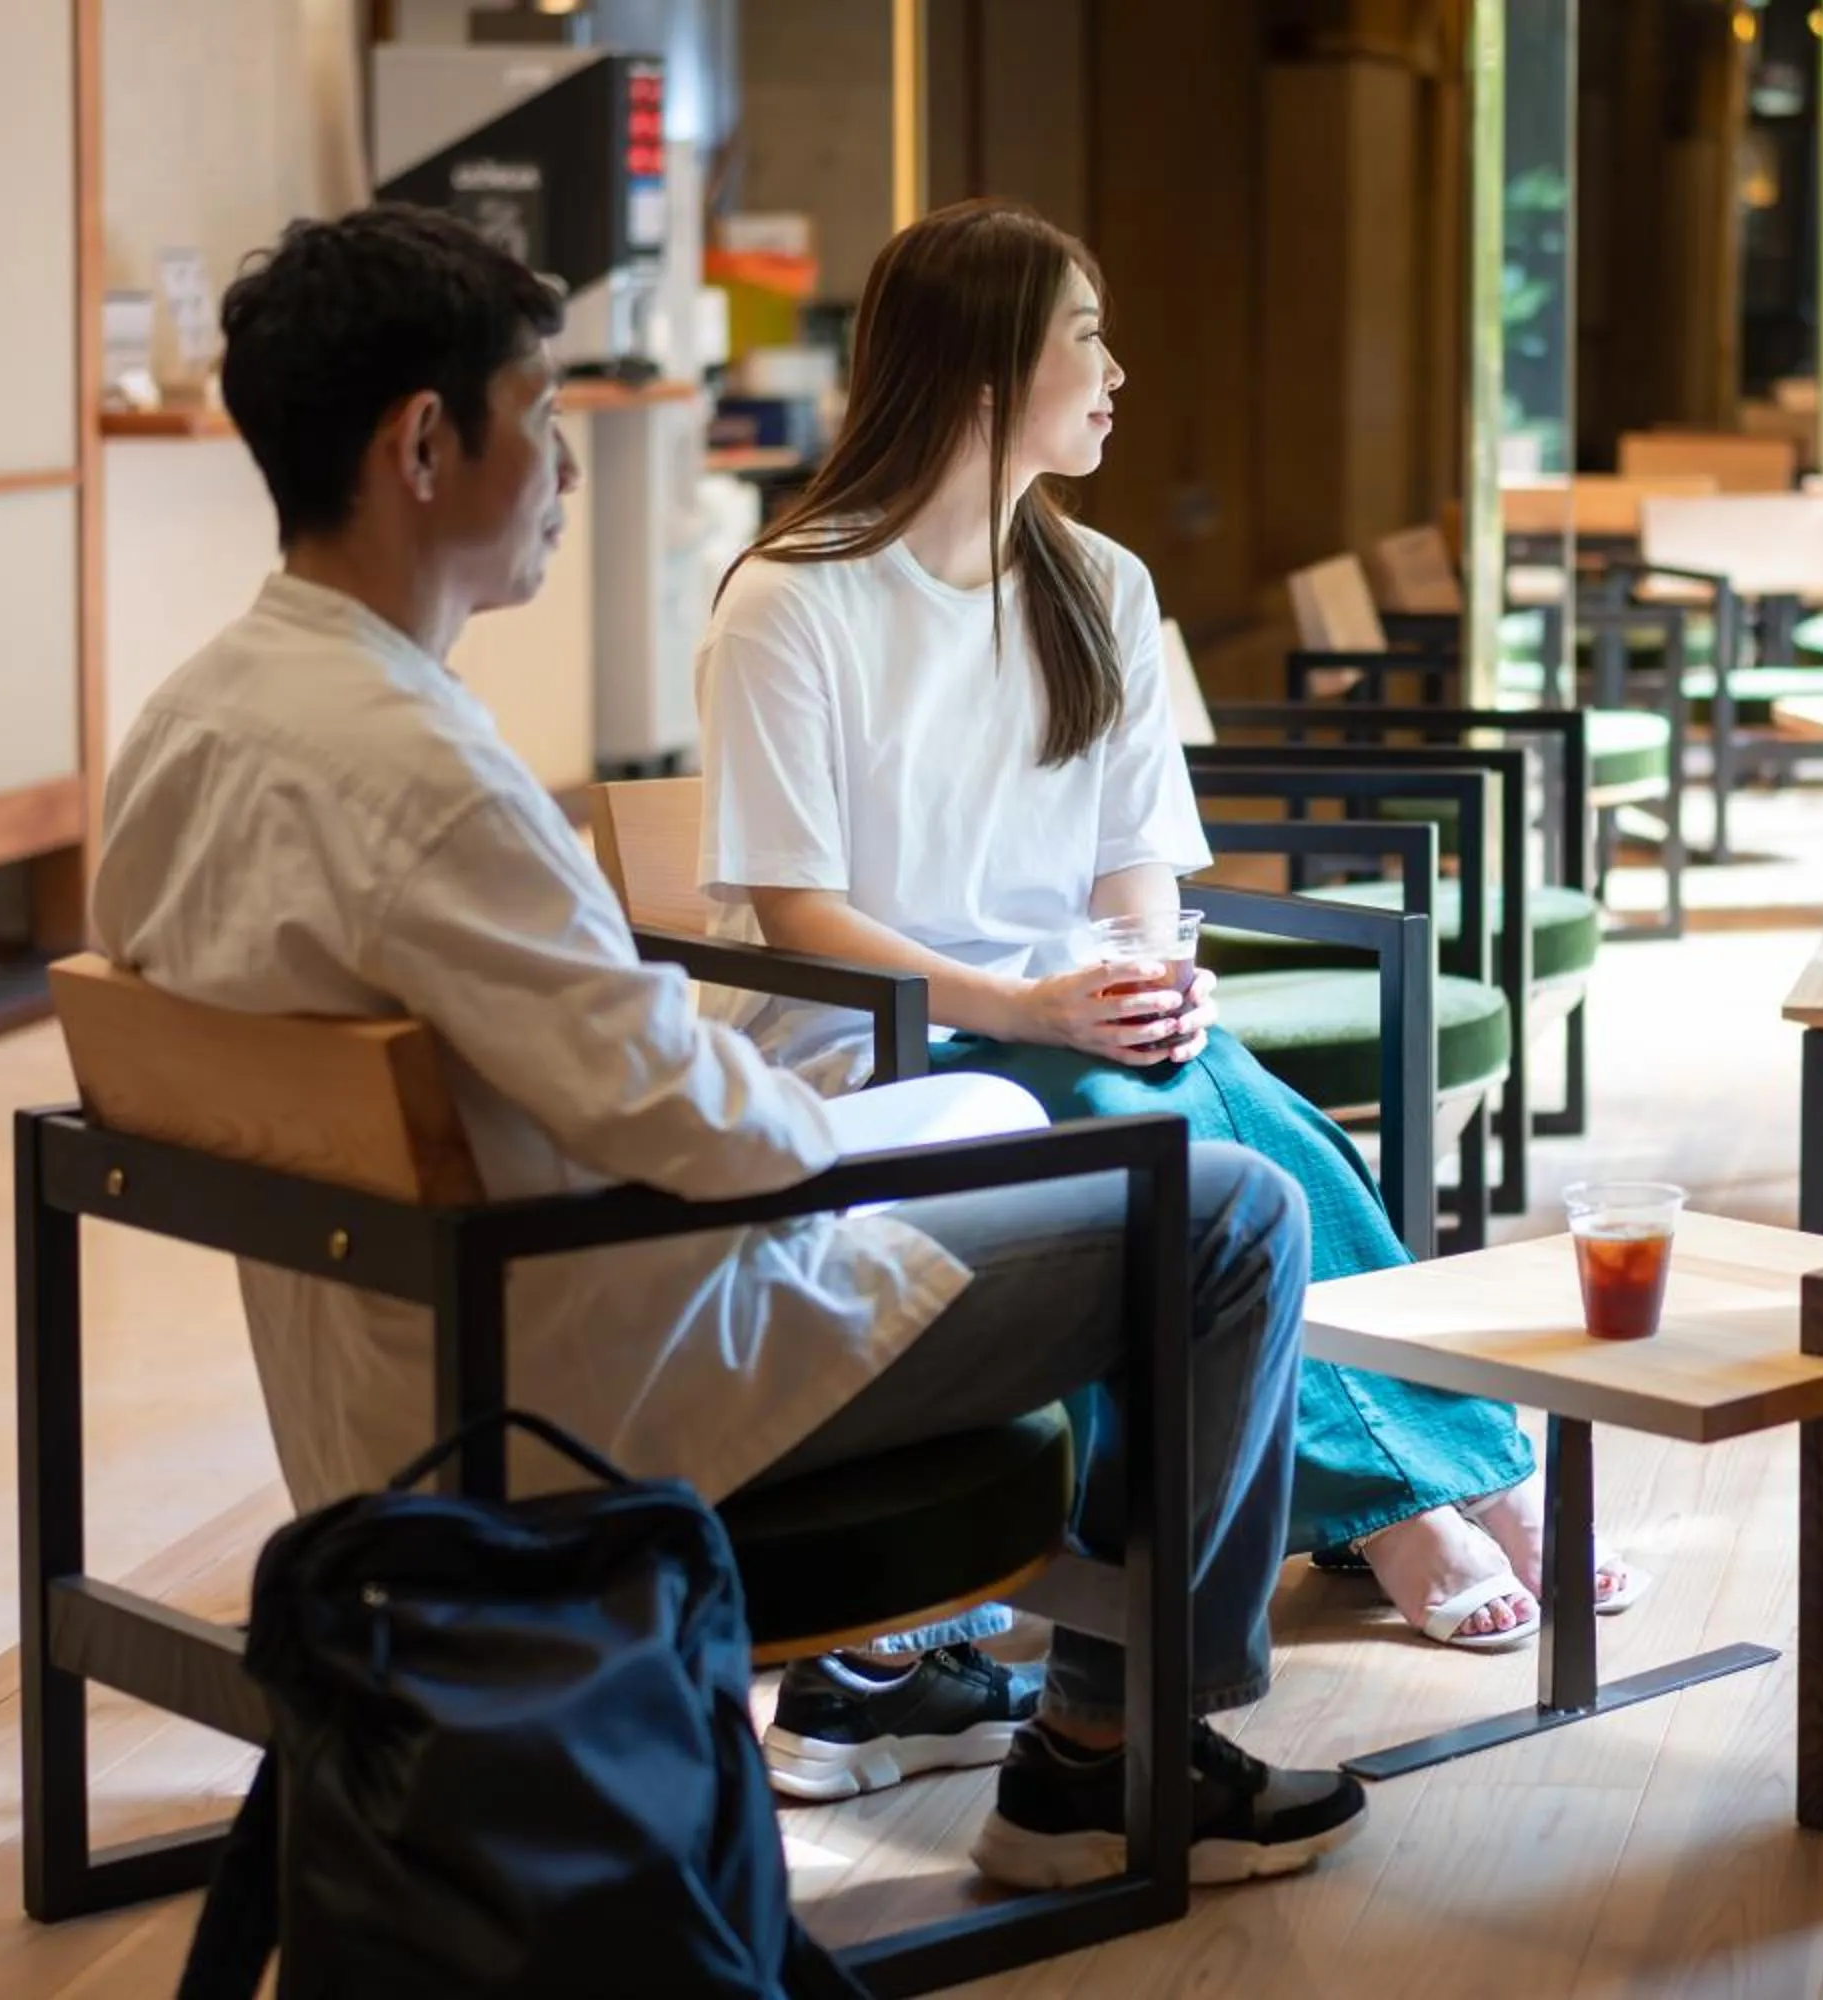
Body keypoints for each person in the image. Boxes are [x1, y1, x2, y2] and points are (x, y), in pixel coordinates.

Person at [86, 204, 1366, 1890]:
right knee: (1219, 1216)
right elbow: (708, 1139)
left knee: (1059, 1114)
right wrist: (939, 1098)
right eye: (540, 414)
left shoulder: (189, 723)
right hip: (608, 1366)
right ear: (421, 446)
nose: (562, 463)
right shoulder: (432, 780)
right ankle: (1101, 1758)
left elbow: (638, 1087)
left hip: (394, 1355)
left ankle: (977, 1681)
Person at [693, 197, 1649, 1784]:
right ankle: (1446, 1496)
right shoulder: (794, 599)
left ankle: (1419, 1504)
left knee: (1222, 1109)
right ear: (989, 375)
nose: (1119, 371)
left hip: (1065, 1032)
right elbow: (797, 917)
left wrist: (1141, 977)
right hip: (878, 1051)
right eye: (1086, 337)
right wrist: (1031, 1007)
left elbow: (1140, 871)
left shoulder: (1100, 590)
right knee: (1224, 1143)